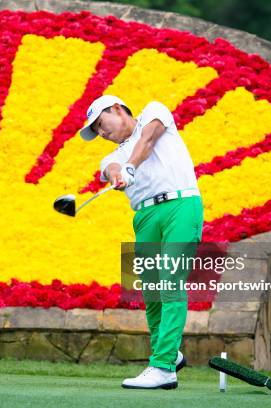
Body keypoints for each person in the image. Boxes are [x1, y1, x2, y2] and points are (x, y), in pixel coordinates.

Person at [79, 95, 204, 390]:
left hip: (181, 207)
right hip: (145, 217)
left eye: (100, 123)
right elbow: (111, 168)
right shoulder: (111, 157)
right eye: (95, 130)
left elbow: (147, 140)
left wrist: (131, 166)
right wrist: (119, 173)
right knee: (150, 290)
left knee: (170, 281)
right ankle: (169, 354)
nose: (101, 132)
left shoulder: (153, 111)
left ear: (118, 109)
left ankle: (162, 367)